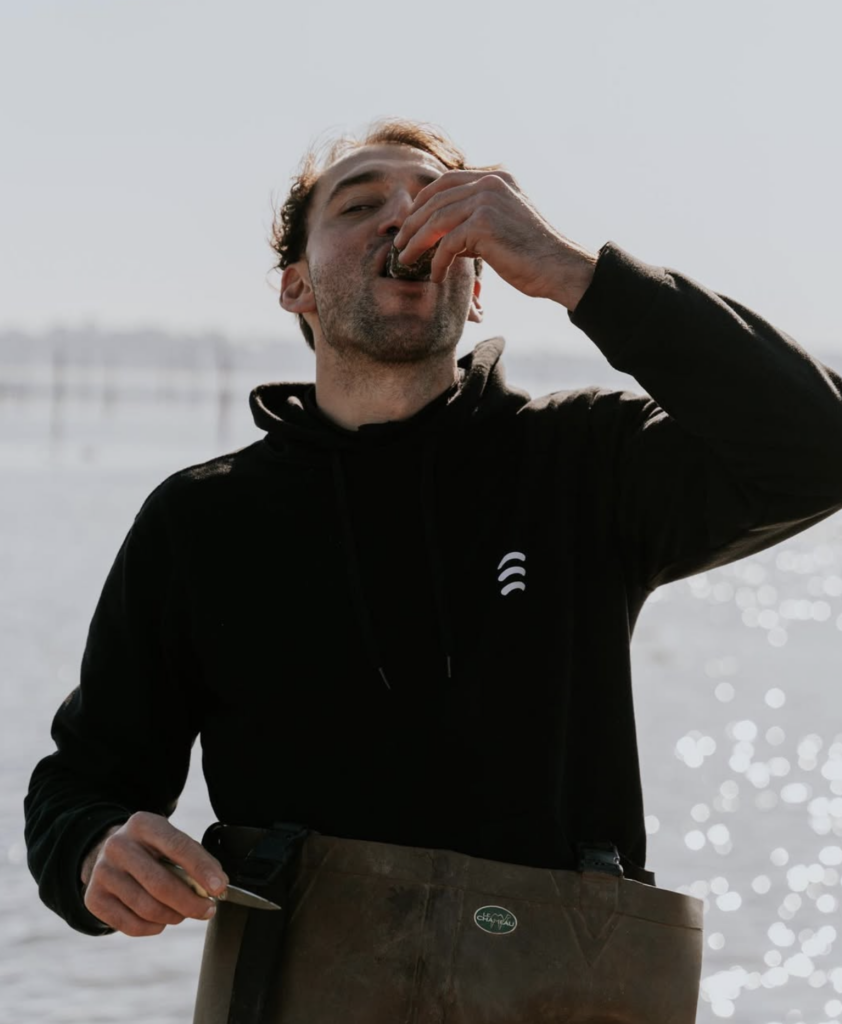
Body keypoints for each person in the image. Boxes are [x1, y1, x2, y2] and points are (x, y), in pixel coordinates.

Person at [25, 119, 842, 1022]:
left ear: (481, 286)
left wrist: (575, 271)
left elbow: (818, 447)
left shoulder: (581, 462)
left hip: (569, 990)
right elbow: (81, 781)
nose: (403, 219)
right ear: (295, 286)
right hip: (299, 989)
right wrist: (95, 849)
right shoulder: (200, 520)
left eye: (440, 203)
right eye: (361, 203)